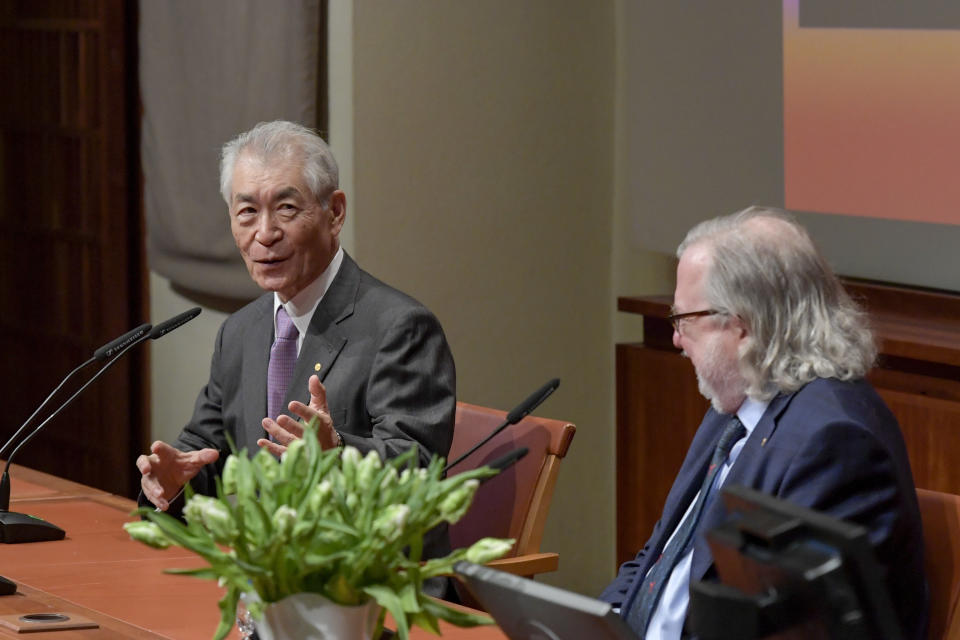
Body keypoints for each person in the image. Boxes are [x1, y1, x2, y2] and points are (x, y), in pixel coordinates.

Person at [136, 121, 456, 564]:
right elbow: (206, 450)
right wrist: (172, 480)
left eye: (286, 208)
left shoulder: (400, 327)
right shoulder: (241, 331)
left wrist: (336, 454)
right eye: (247, 212)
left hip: (366, 581)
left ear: (335, 212)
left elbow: (419, 471)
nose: (264, 233)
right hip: (264, 574)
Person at [601, 207, 927, 639]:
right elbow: (657, 559)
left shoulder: (833, 441)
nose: (677, 338)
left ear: (743, 325)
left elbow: (786, 628)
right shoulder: (735, 409)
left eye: (683, 319)